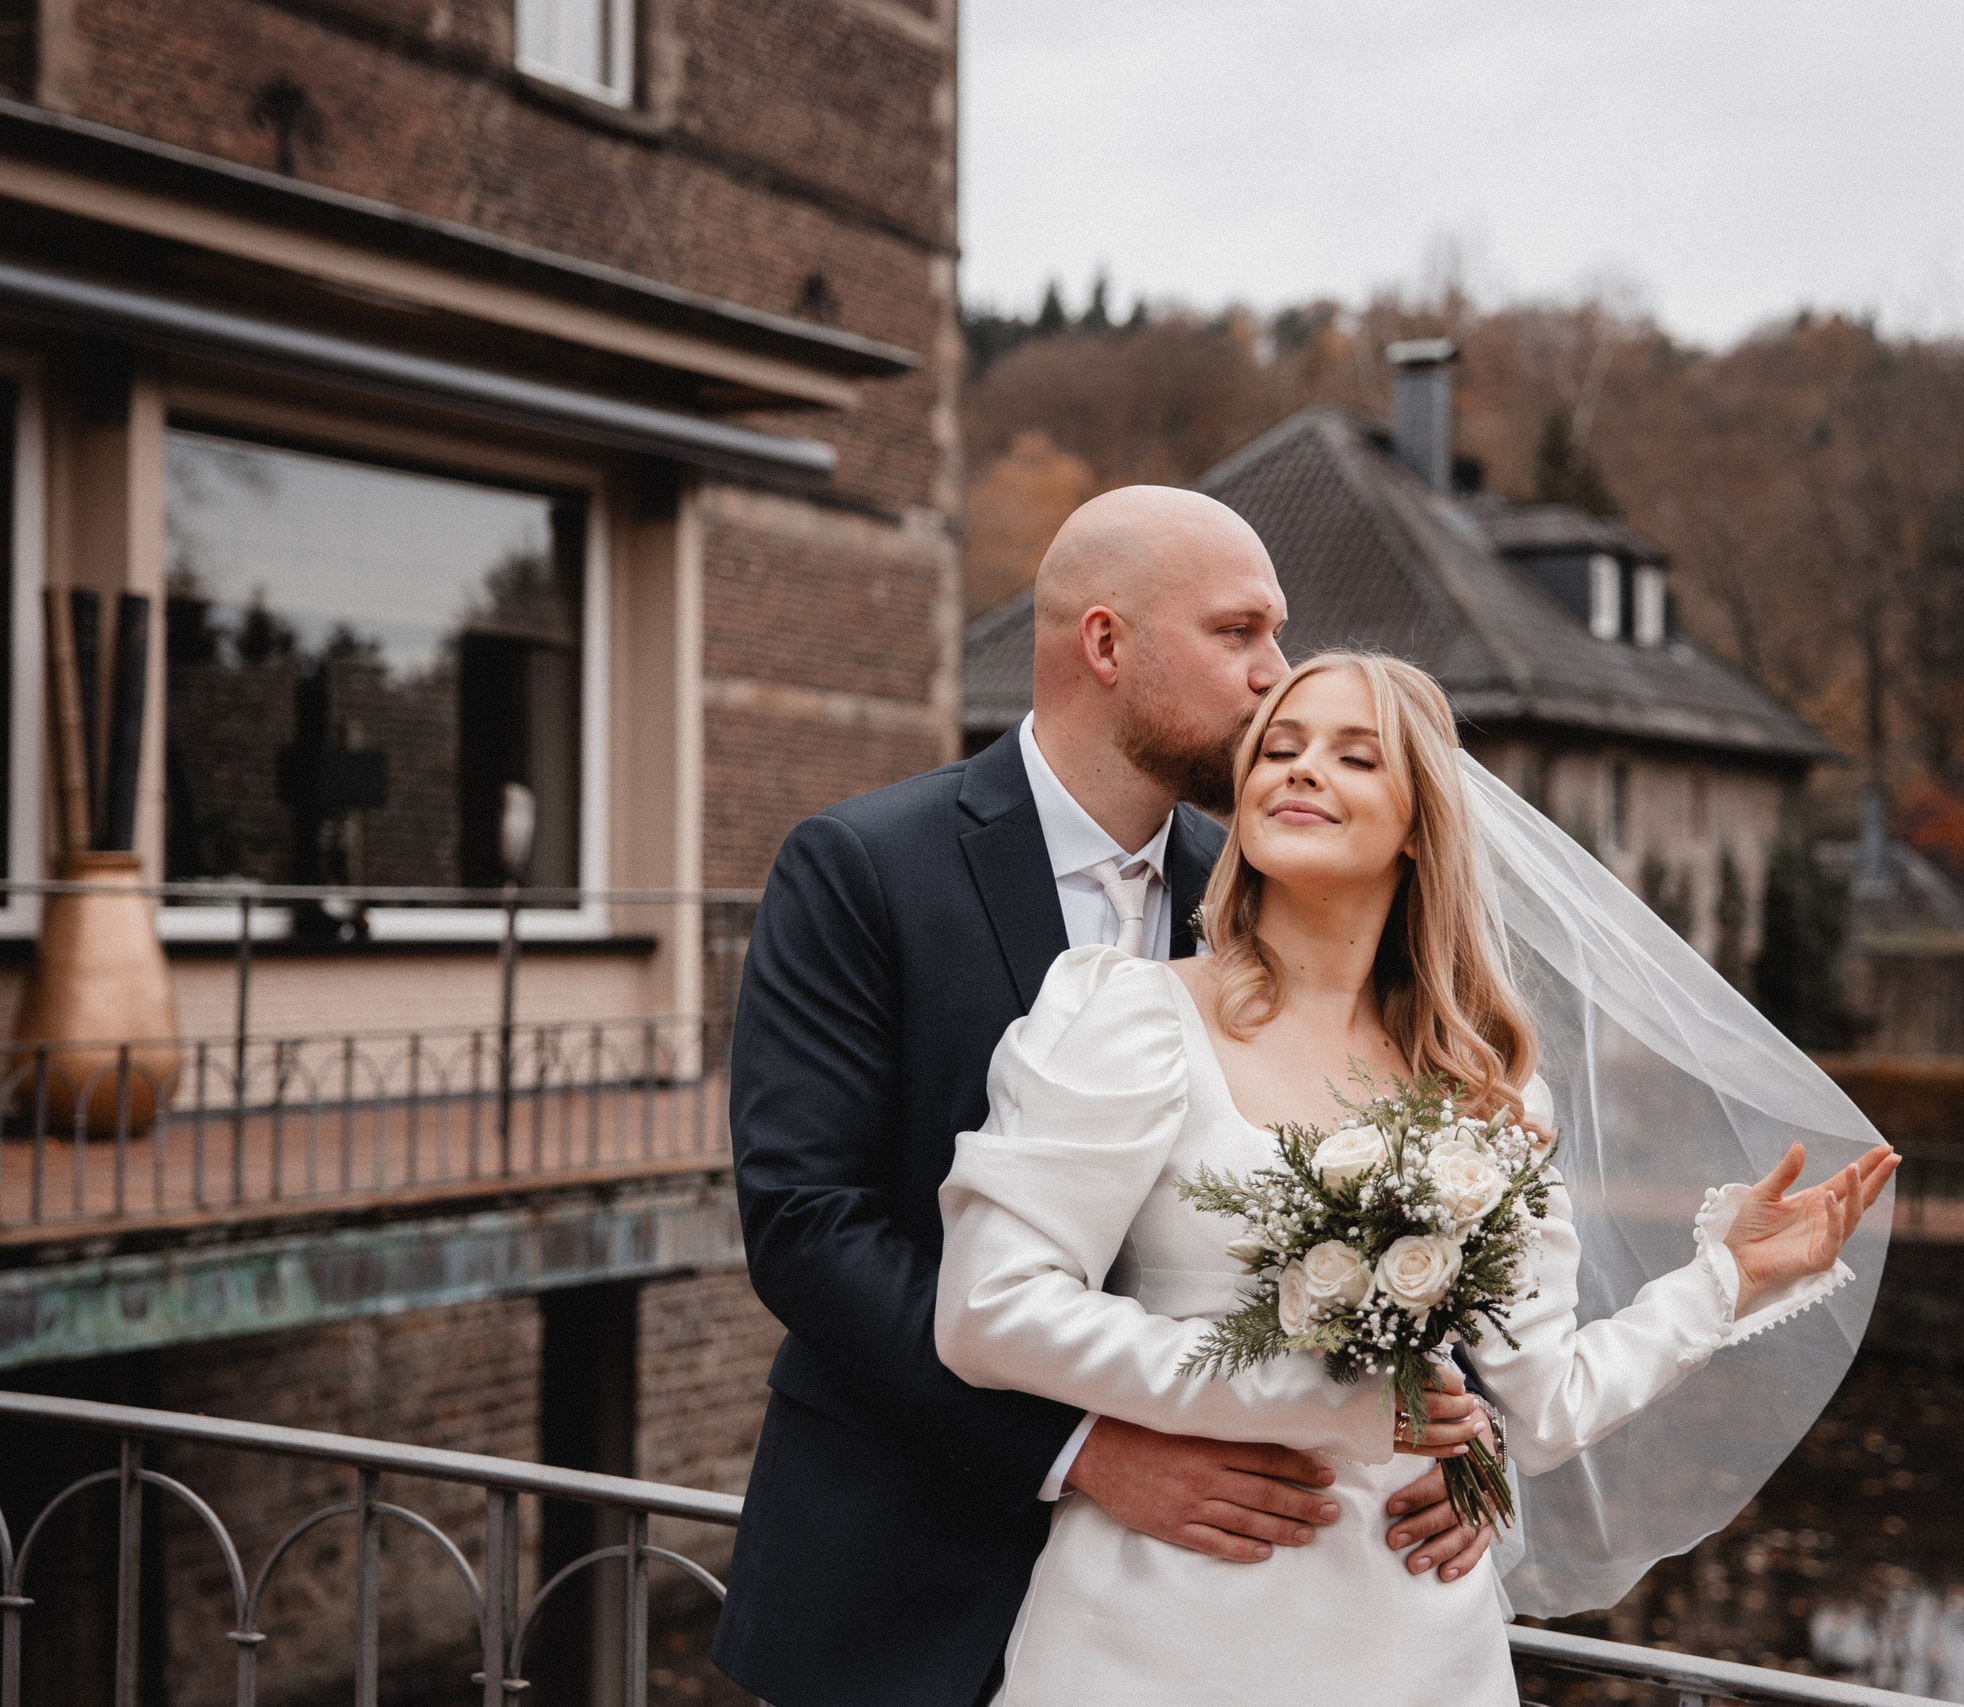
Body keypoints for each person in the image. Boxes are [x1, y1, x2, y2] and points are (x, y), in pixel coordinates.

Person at [934, 651, 1900, 1704]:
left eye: (1354, 756)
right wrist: (1321, 1400)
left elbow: (1540, 1408)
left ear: (1417, 825)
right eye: (1281, 749)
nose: (1300, 772)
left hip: (1413, 1631)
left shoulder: (1489, 1091)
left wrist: (1727, 1280)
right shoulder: (1131, 1018)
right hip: (1172, 1610)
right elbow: (991, 1306)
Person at [713, 494, 1486, 1707]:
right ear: (1107, 645)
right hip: (897, 1579)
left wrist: (1448, 1415)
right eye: (1239, 633)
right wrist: (1079, 1450)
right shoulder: (862, 867)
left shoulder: (1260, 889)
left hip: (1201, 1617)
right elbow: (809, 1227)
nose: (1273, 677)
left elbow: (1371, 1154)